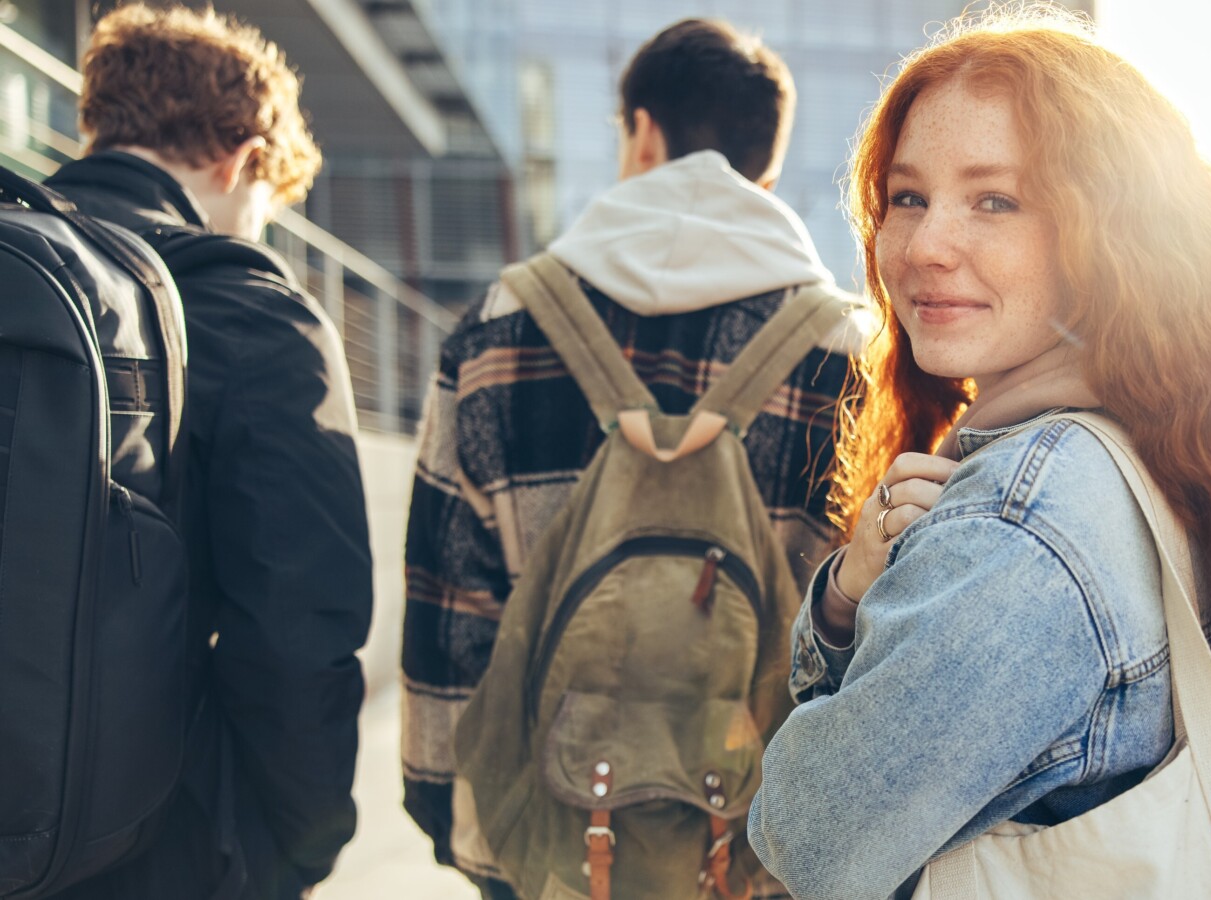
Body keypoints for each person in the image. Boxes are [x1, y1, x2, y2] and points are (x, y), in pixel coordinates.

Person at [745, 10, 1211, 899]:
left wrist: (843, 604)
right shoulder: (1193, 442)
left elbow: (807, 835)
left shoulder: (1025, 520)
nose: (926, 246)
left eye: (995, 201)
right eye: (908, 198)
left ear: (1114, 233)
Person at [400, 18, 860, 898]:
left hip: (548, 851)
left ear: (642, 133)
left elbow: (448, 602)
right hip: (760, 858)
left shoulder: (500, 327)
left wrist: (454, 818)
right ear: (763, 170)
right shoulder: (847, 352)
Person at [43, 5, 372, 899]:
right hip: (154, 846)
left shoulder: (24, 262)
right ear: (241, 159)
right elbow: (300, 629)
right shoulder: (249, 309)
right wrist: (293, 852)